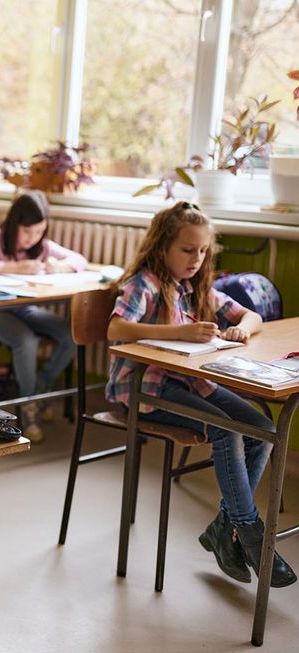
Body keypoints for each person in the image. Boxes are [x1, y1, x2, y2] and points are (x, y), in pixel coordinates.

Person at [106, 201, 296, 588]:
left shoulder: (196, 288)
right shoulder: (145, 282)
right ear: (163, 248)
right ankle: (253, 535)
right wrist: (177, 332)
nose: (197, 258)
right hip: (142, 390)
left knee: (261, 426)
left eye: (203, 250)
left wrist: (241, 328)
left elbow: (251, 315)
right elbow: (116, 329)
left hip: (189, 382)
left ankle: (223, 530)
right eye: (187, 250)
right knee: (226, 429)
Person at [0, 190, 87, 441]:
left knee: (71, 334)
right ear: (14, 224)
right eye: (27, 231)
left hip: (23, 309)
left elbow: (78, 259)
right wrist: (11, 267)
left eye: (38, 232)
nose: (32, 238)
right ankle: (29, 407)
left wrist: (60, 266)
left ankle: (38, 389)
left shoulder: (41, 247)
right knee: (25, 340)